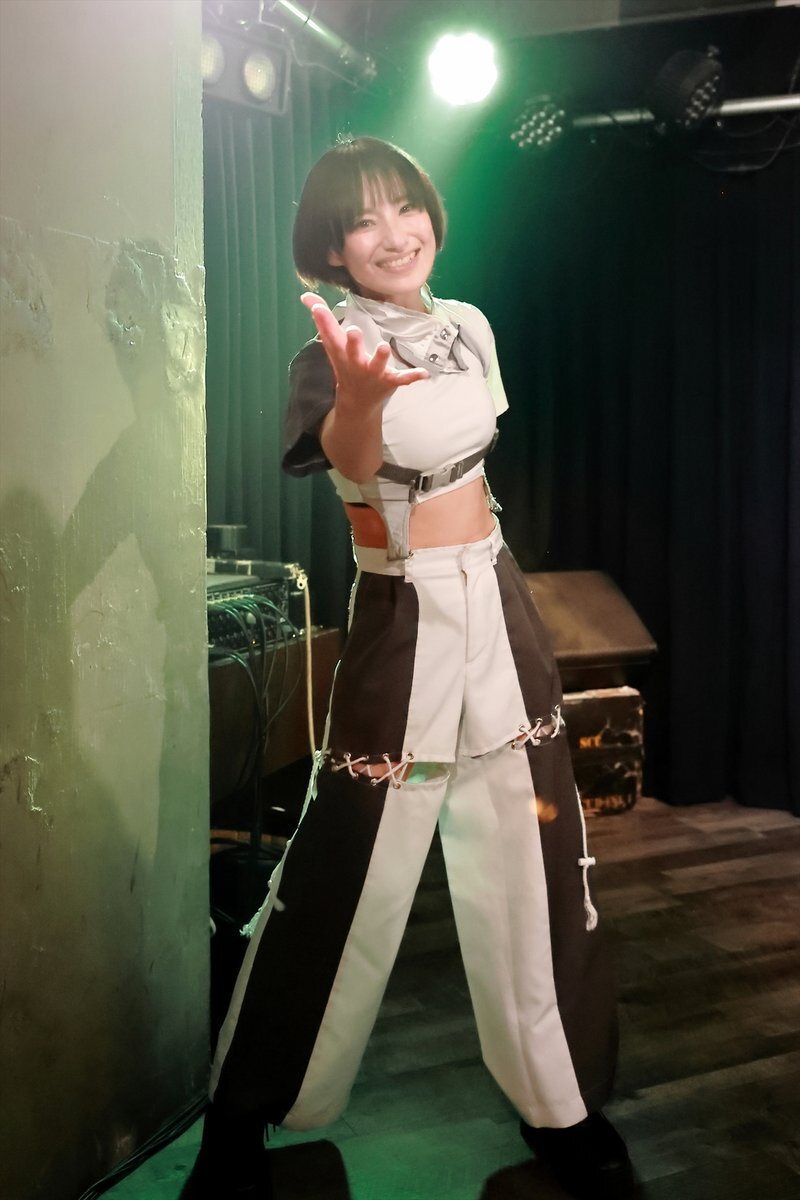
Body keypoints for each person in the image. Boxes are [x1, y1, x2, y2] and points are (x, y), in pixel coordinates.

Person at [182, 137, 631, 1200]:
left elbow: (475, 453)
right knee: (345, 870)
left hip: (496, 602)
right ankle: (242, 1117)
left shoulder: (467, 324)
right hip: (401, 614)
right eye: (362, 220)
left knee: (536, 857)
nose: (392, 235)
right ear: (331, 246)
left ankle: (563, 1112)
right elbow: (346, 455)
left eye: (403, 207)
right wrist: (358, 399)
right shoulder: (329, 350)